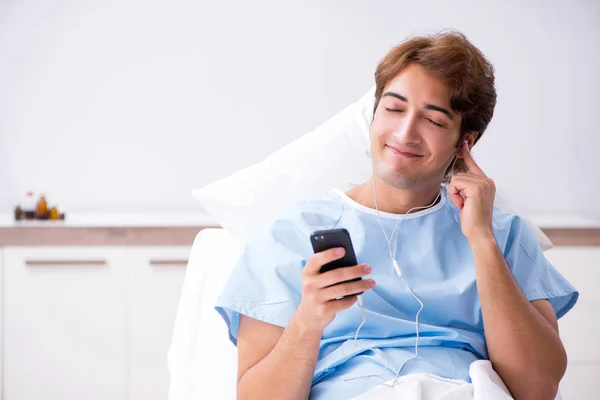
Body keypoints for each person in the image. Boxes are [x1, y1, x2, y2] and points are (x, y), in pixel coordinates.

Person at [215, 30, 578, 400]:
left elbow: (537, 389)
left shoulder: (502, 234)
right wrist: (309, 320)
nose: (405, 133)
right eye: (393, 108)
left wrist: (482, 241)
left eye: (434, 120)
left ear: (463, 143)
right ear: (373, 115)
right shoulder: (289, 236)